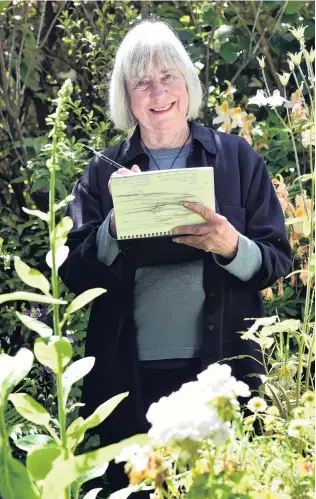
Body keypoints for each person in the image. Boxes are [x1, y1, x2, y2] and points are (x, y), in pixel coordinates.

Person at [59, 19, 291, 496]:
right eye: (142, 81)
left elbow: (275, 261)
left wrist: (231, 246)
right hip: (129, 379)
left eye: (168, 76)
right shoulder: (101, 174)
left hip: (223, 374)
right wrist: (114, 227)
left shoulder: (237, 158)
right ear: (127, 96)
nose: (157, 91)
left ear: (188, 83)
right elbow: (74, 274)